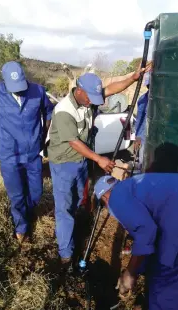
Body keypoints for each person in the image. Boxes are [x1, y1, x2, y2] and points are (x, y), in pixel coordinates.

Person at [48, 65, 151, 266]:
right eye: (90, 99)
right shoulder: (64, 111)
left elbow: (113, 89)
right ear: (79, 91)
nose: (94, 103)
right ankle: (65, 253)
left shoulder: (89, 97)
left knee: (78, 199)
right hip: (63, 164)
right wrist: (98, 159)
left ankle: (74, 230)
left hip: (80, 162)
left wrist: (133, 78)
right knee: (64, 208)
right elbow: (74, 142)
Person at [94, 173, 178, 310]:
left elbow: (146, 230)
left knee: (163, 284)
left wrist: (130, 271)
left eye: (104, 205)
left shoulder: (116, 197)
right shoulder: (133, 185)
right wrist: (138, 268)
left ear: (105, 197)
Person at [0, 61, 54, 243]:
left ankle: (26, 213)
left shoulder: (38, 91)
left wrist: (44, 136)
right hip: (9, 155)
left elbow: (49, 112)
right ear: (4, 81)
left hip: (32, 154)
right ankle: (22, 229)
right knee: (17, 195)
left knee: (36, 193)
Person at [134, 72, 150, 165]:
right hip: (146, 139)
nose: (149, 87)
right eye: (148, 85)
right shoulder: (143, 99)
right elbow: (140, 119)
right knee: (143, 165)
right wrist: (138, 136)